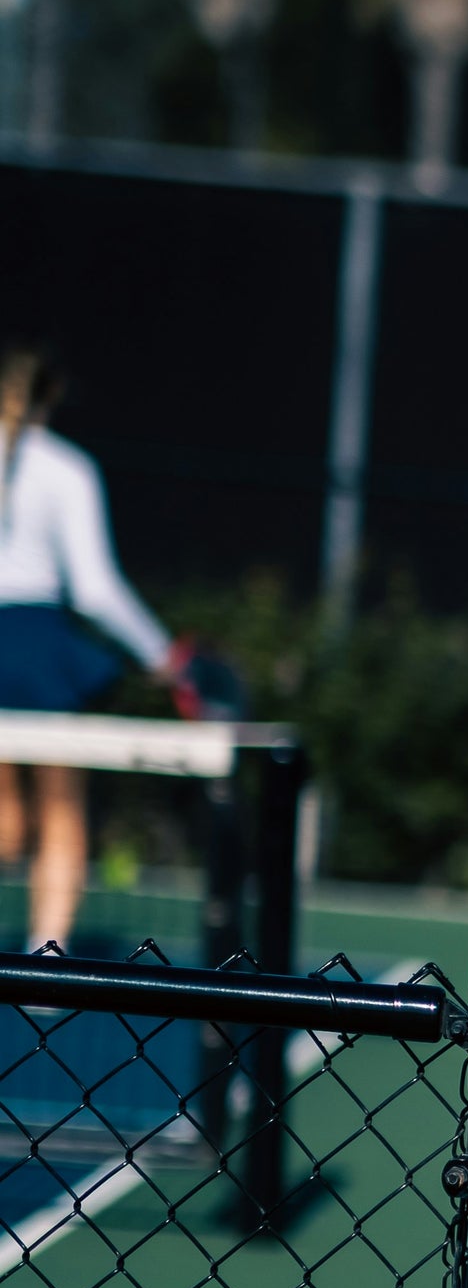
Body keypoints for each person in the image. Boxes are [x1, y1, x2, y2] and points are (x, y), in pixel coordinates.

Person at [0, 348, 186, 955]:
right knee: (60, 813)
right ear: (48, 398)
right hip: (40, 653)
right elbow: (97, 589)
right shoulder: (68, 468)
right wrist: (165, 657)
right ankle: (44, 968)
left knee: (5, 821)